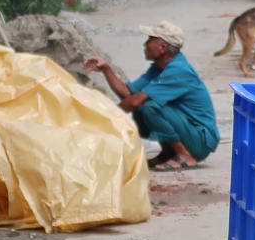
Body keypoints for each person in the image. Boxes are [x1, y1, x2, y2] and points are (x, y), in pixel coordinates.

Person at [84, 21, 219, 170]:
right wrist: (106, 70)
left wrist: (103, 119)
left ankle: (185, 155)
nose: (145, 45)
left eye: (150, 40)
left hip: (200, 140)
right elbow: (129, 93)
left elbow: (134, 102)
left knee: (149, 106)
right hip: (189, 132)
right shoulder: (159, 67)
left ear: (163, 48)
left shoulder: (178, 70)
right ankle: (168, 153)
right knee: (143, 106)